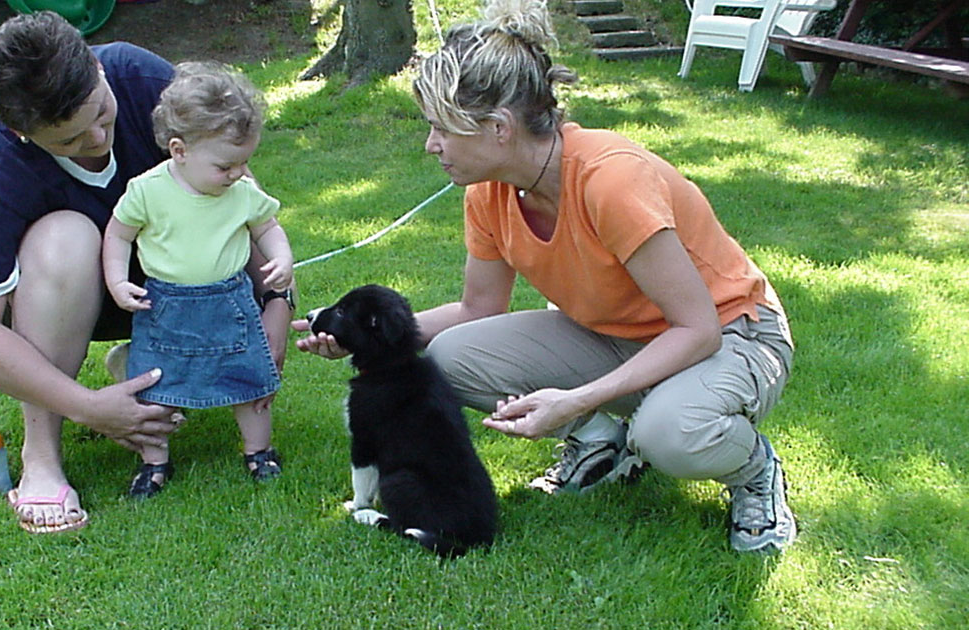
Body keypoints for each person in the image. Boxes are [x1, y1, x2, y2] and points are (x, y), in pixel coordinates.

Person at [295, 0, 797, 553]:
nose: (430, 145)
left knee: (667, 434)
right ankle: (602, 446)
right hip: (614, 335)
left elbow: (697, 329)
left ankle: (753, 470)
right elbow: (476, 309)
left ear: (498, 127)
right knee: (443, 358)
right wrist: (365, 335)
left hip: (732, 334)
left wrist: (577, 399)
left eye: (441, 129)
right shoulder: (488, 191)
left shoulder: (611, 181)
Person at [0, 13, 296, 533]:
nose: (99, 137)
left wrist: (276, 308)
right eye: (70, 139)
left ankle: (140, 362)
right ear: (20, 132)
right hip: (78, 296)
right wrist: (87, 407)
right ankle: (42, 456)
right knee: (63, 236)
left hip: (189, 291)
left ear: (96, 67)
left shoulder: (143, 78)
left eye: (102, 113)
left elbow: (243, 201)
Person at [102, 61, 294, 494]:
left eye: (244, 163)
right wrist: (117, 281)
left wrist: (281, 260)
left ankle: (258, 451)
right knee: (157, 386)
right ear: (179, 151)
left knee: (251, 380)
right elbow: (117, 234)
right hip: (166, 306)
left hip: (229, 301)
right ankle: (154, 462)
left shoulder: (241, 192)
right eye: (226, 166)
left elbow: (268, 226)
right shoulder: (148, 191)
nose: (238, 174)